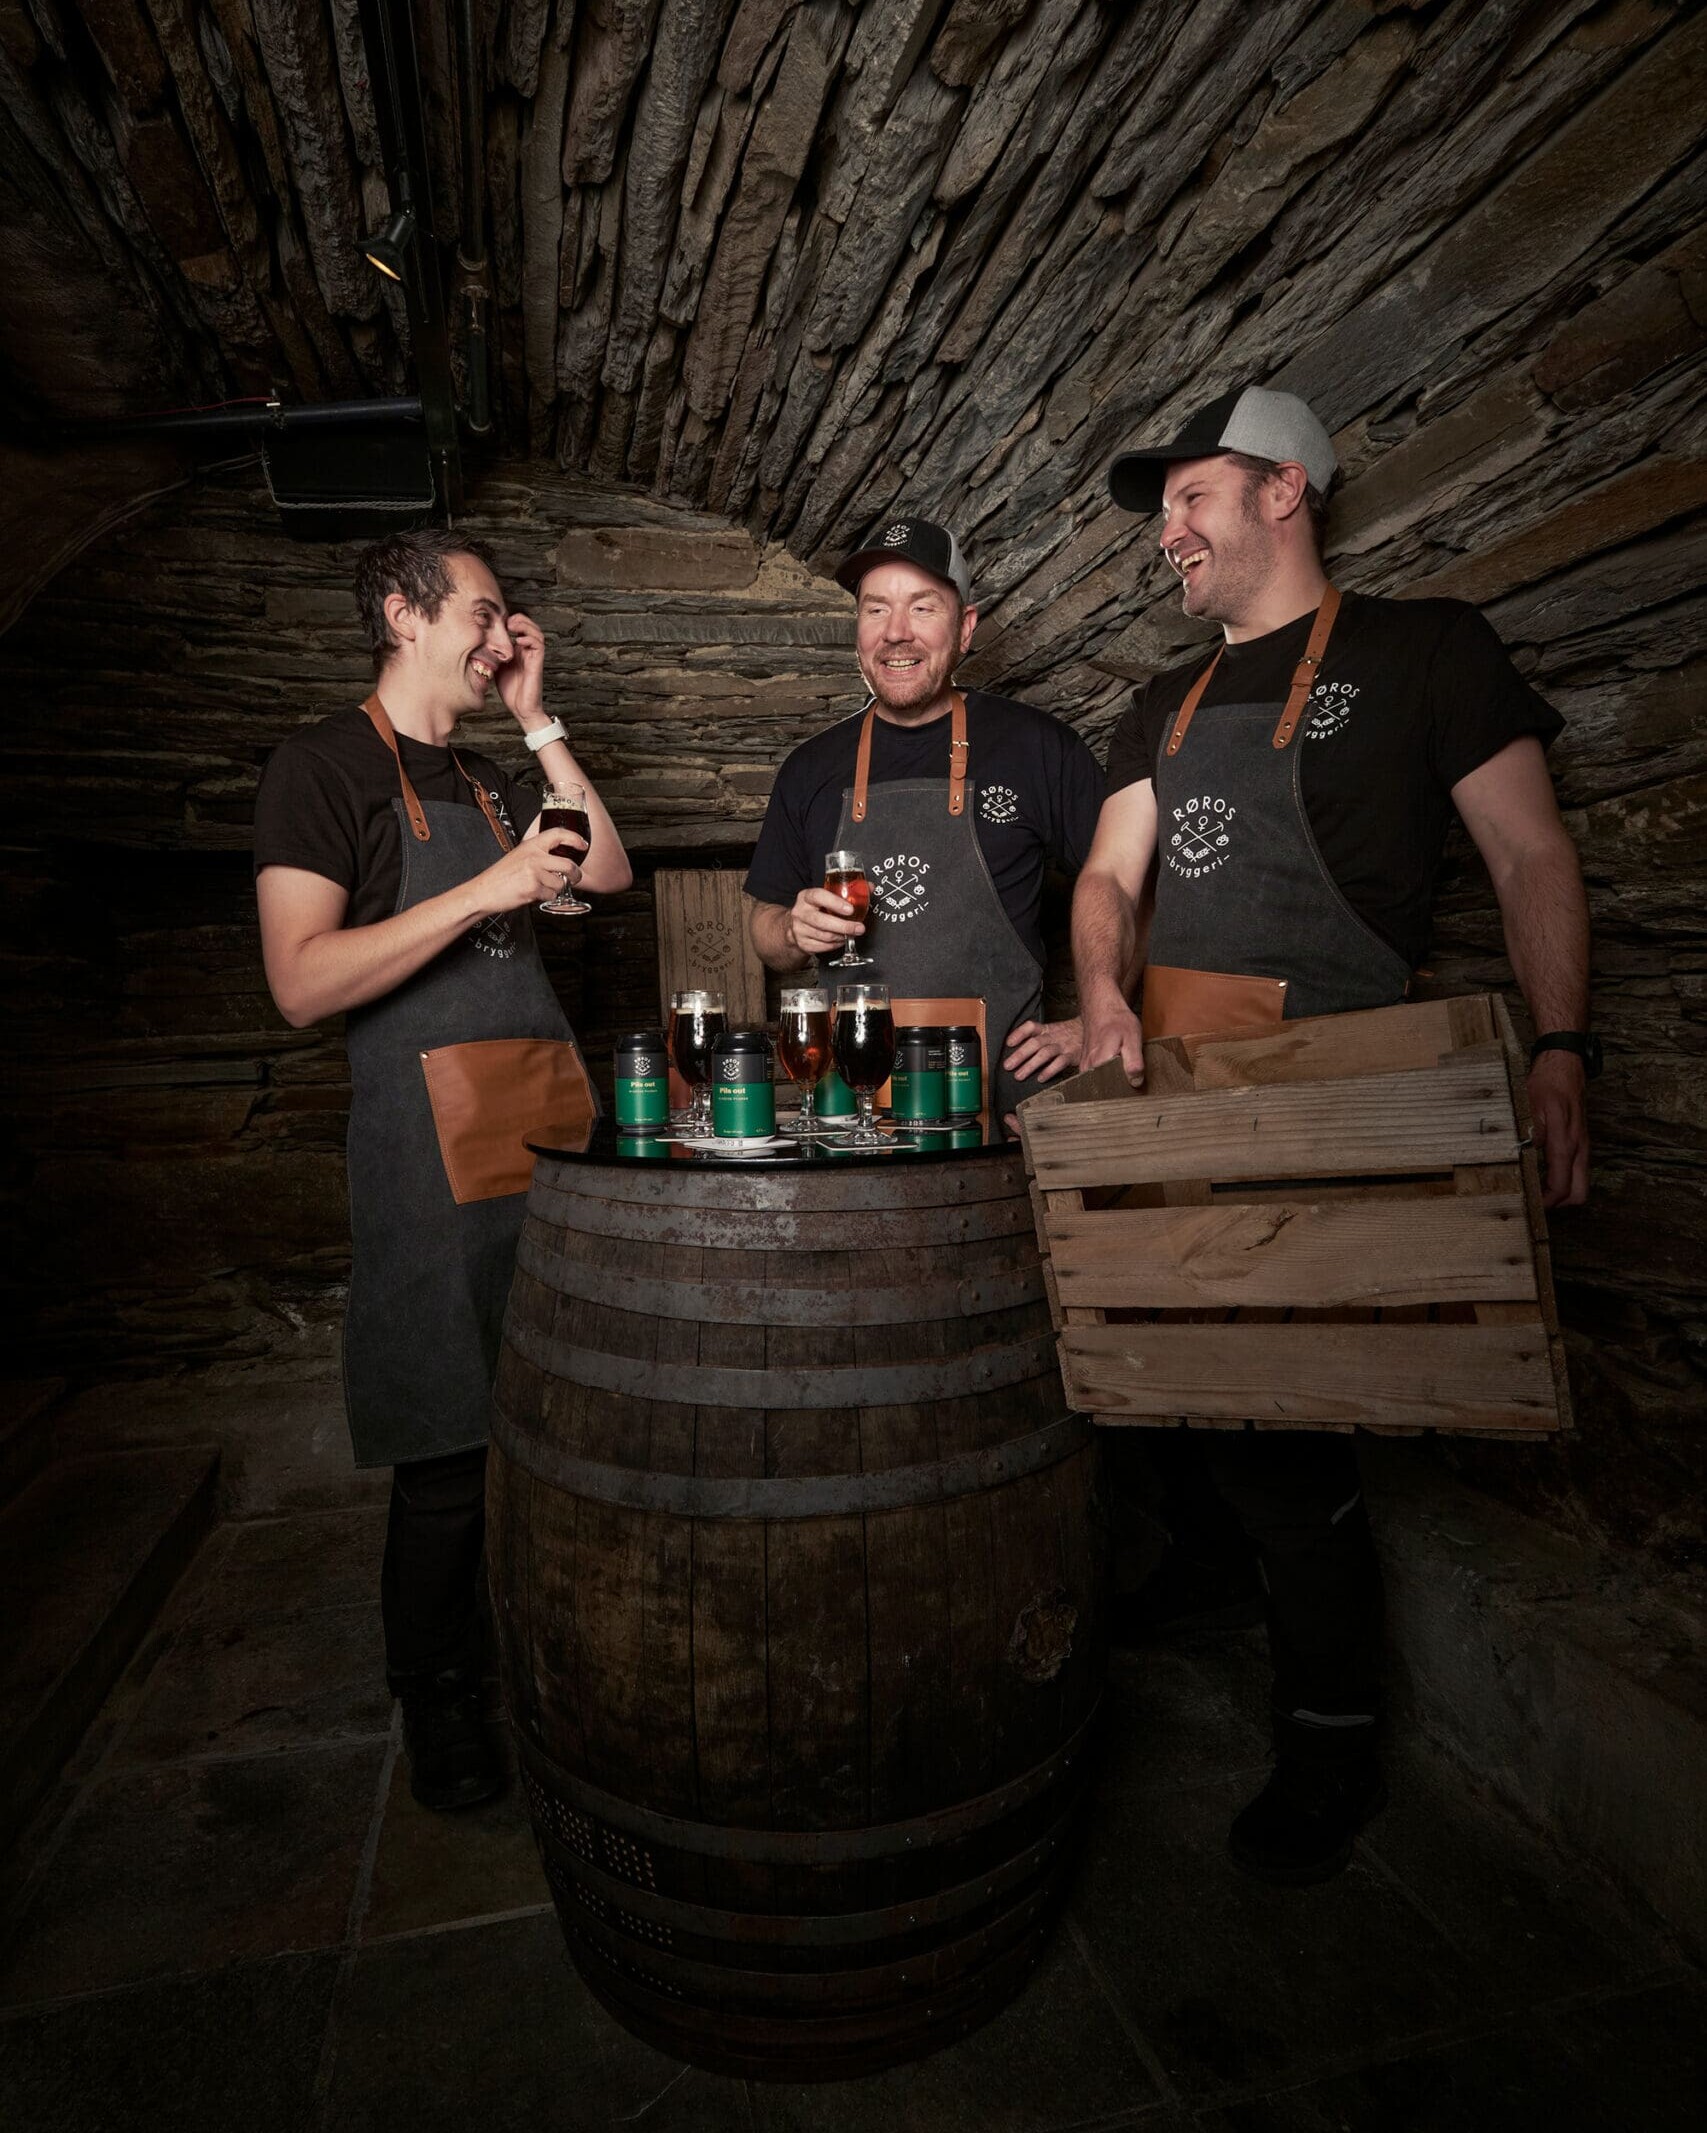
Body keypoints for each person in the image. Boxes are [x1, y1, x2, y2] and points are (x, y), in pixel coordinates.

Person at [1075, 383, 1594, 1882]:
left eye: (1189, 499)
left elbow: (1528, 852)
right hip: (1175, 1093)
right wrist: (1099, 990)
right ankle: (1210, 1579)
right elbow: (1108, 876)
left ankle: (1328, 1735)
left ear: (1283, 490)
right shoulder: (1160, 703)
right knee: (1168, 1388)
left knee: (1291, 1432)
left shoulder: (1426, 651)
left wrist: (1563, 1046)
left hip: (1329, 1092)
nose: (1166, 535)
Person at [253, 526, 631, 1810]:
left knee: (560, 1418)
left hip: (546, 1124)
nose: (502, 632)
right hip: (423, 1146)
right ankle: (441, 1697)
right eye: (483, 611)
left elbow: (609, 869)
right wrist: (488, 891)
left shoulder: (492, 776)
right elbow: (301, 981)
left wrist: (536, 718)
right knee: (448, 1450)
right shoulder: (319, 769)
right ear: (404, 615)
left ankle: (546, 1650)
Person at [745, 516, 1102, 1119]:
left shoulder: (1041, 748)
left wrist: (1097, 1019)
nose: (896, 633)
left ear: (965, 628)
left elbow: (1130, 886)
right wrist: (791, 932)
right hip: (850, 1110)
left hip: (997, 1108)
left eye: (922, 608)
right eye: (876, 609)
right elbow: (764, 927)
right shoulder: (809, 768)